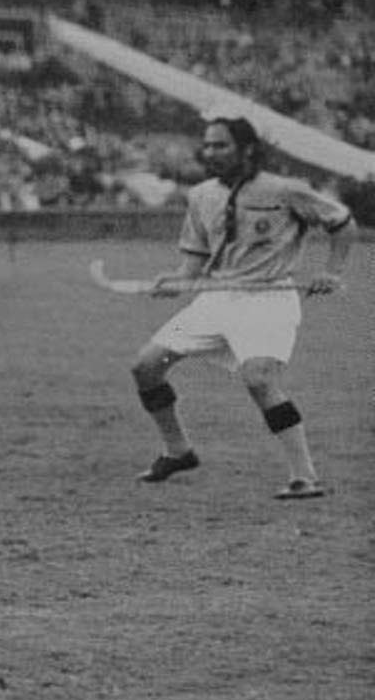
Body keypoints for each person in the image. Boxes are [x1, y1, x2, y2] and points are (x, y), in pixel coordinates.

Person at [128, 116, 356, 500]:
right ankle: (178, 451)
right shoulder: (201, 195)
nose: (211, 152)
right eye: (209, 145)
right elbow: (194, 263)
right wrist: (175, 280)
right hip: (218, 297)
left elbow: (342, 223)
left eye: (221, 145)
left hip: (269, 298)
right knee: (146, 366)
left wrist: (331, 273)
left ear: (247, 149)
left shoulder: (284, 190)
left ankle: (305, 477)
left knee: (259, 379)